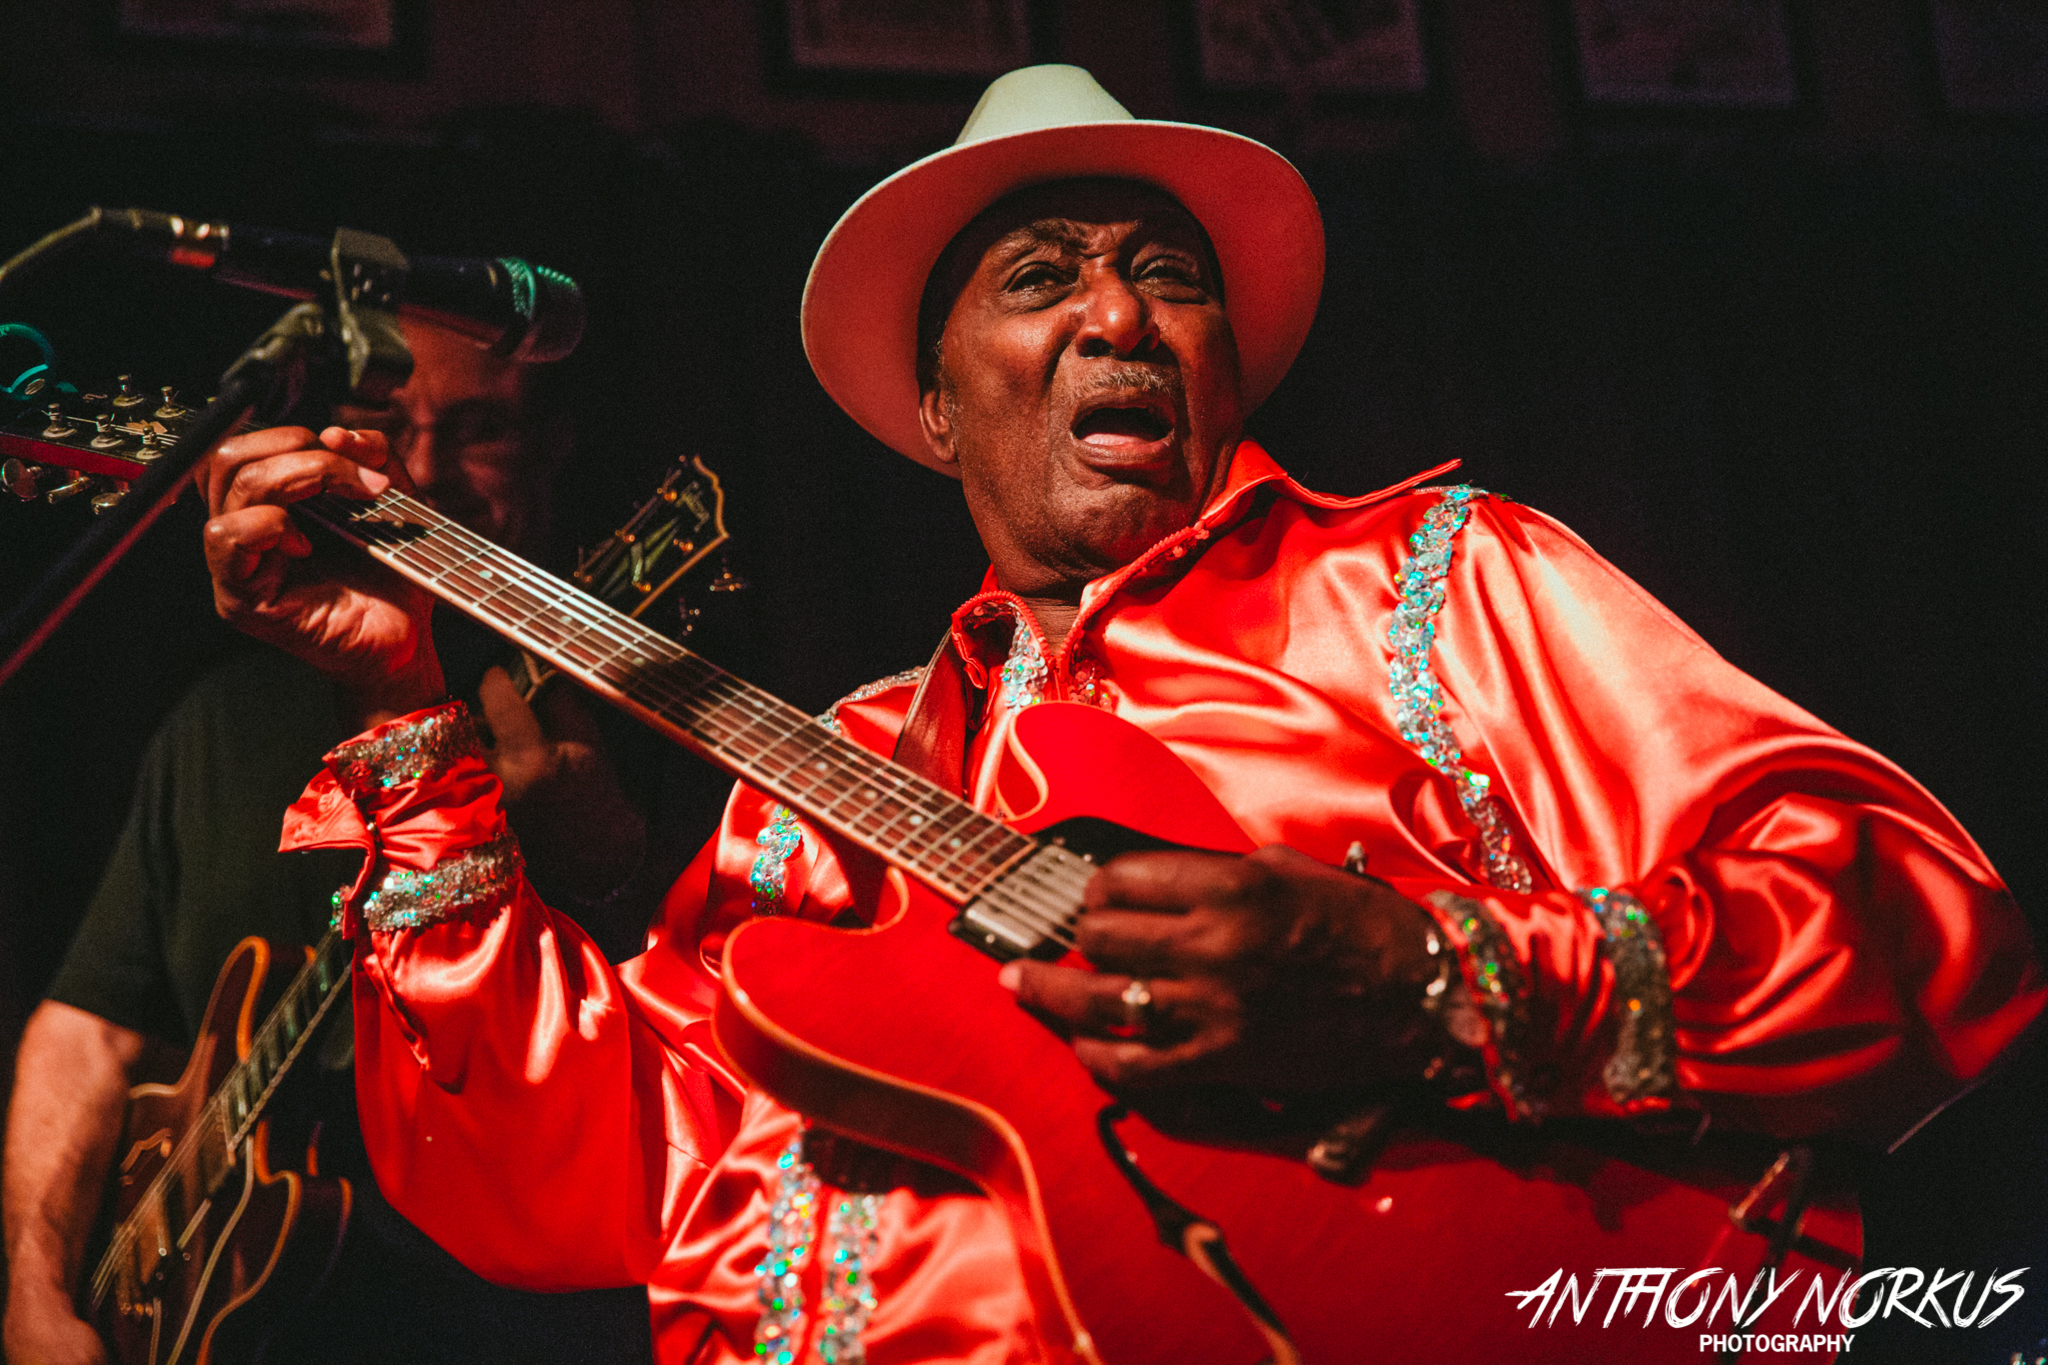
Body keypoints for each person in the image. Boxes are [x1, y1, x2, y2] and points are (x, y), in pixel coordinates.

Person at [191, 66, 2043, 1364]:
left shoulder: (1434, 580)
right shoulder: (831, 766)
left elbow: (1911, 914)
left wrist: (1427, 982)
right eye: (1041, 278)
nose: (1116, 316)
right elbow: (580, 1187)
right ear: (935, 412)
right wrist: (412, 745)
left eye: (1165, 276)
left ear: (1222, 362)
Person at [2, 320, 657, 1365]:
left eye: (479, 428)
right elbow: (89, 1029)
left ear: (552, 450)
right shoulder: (218, 724)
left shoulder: (636, 714)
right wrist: (33, 1295)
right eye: (382, 425)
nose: (427, 470)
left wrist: (599, 860)